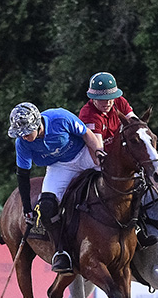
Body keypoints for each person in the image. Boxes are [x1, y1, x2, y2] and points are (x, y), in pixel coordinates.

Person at [8, 102, 103, 275]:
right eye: (20, 134)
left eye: (27, 132)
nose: (24, 137)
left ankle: (139, 226)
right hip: (59, 167)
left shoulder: (60, 118)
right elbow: (23, 175)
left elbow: (87, 135)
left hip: (83, 154)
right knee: (46, 207)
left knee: (118, 180)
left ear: (37, 123)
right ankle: (62, 251)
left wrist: (98, 152)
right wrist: (27, 209)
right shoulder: (22, 144)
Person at [78, 71, 158, 247]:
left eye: (110, 98)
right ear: (92, 98)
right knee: (80, 188)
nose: (107, 103)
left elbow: (135, 122)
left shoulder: (119, 102)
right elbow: (97, 146)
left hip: (118, 155)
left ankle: (137, 228)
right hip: (92, 156)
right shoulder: (88, 113)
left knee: (140, 185)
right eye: (102, 99)